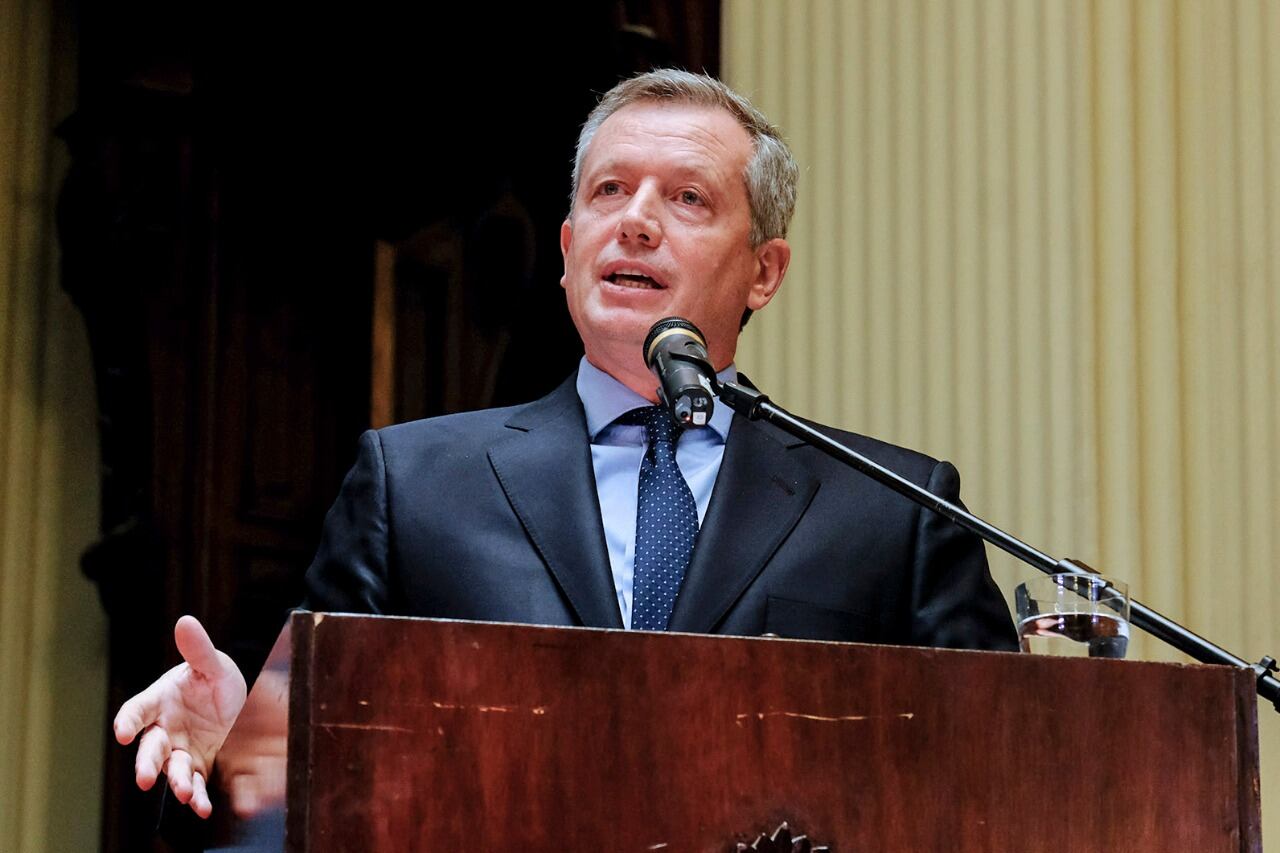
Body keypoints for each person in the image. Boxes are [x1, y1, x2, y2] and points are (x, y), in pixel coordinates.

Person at [114, 69, 1017, 819]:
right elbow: (290, 798)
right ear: (568, 244)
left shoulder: (893, 510)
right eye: (608, 191)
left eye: (688, 197)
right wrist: (235, 749)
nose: (636, 219)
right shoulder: (414, 484)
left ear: (765, 270)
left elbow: (1001, 785)